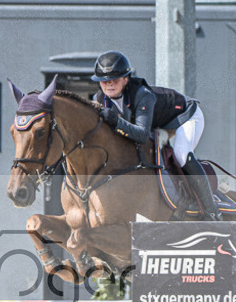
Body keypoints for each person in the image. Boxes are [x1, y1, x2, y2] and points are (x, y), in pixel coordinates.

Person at [91, 51, 221, 221]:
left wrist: (116, 121)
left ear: (125, 79)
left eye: (114, 79)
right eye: (103, 80)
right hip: (160, 125)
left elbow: (142, 134)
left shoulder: (142, 94)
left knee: (181, 154)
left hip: (185, 116)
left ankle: (212, 211)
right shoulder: (100, 98)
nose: (109, 84)